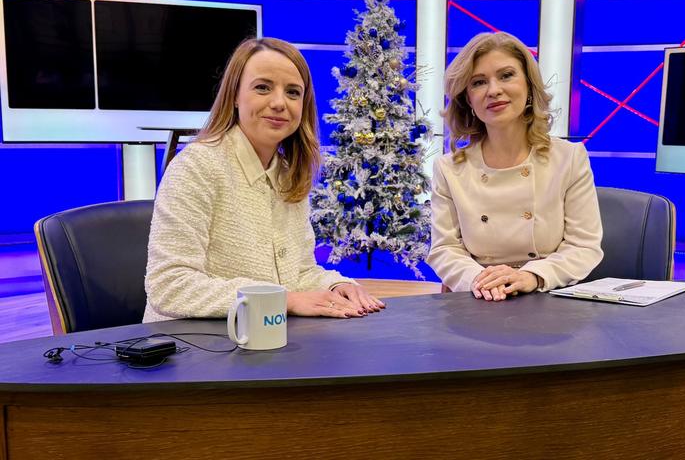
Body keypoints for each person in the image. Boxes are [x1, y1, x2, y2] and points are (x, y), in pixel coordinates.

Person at [144, 37, 384, 322]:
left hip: (265, 333)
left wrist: (335, 285)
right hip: (191, 341)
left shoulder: (288, 173)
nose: (279, 103)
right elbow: (170, 285)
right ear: (234, 95)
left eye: (293, 92)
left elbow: (299, 273)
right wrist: (284, 300)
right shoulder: (196, 166)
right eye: (262, 88)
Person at [427, 31, 603, 301]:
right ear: (468, 99)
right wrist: (480, 281)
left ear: (529, 86)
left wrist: (531, 276)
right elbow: (444, 249)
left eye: (506, 75)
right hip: (479, 298)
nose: (493, 90)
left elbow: (584, 246)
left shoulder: (569, 158)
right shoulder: (448, 169)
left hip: (548, 296)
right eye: (478, 82)